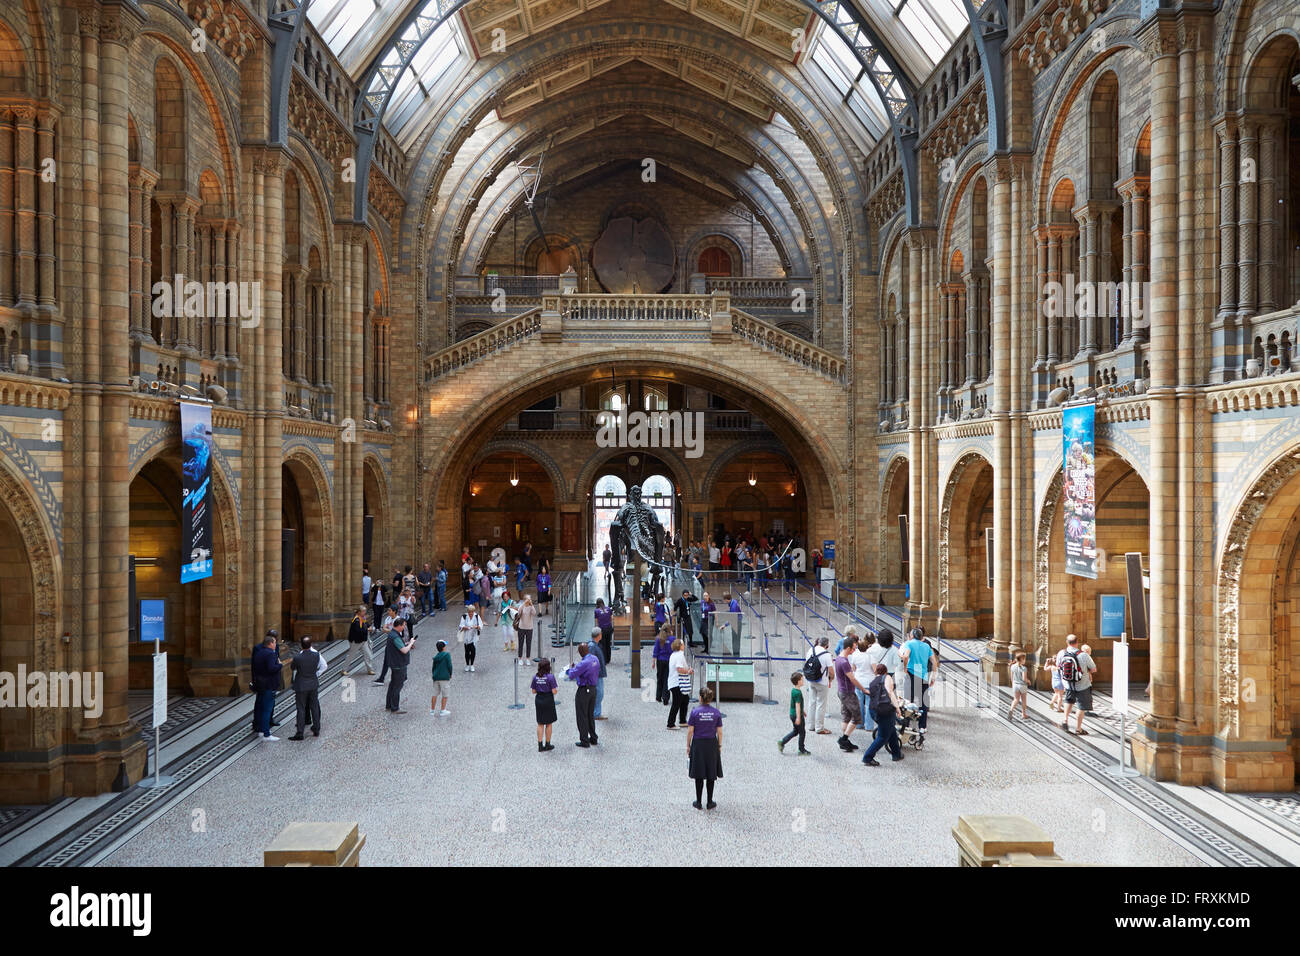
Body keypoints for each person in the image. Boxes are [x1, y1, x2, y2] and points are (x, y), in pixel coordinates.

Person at [686, 686, 723, 810]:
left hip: (698, 744)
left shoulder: (695, 712)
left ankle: (698, 801)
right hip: (711, 744)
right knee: (711, 773)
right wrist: (719, 746)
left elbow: (690, 731)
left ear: (700, 698)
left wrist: (688, 745)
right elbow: (720, 732)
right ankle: (710, 801)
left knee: (699, 773)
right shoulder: (716, 712)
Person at [862, 663, 904, 766]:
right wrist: (897, 708)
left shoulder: (872, 682)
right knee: (882, 736)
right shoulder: (887, 677)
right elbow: (890, 692)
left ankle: (896, 754)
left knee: (891, 730)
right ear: (886, 671)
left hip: (874, 710)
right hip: (885, 710)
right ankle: (867, 757)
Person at [288, 635, 326, 740]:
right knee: (314, 707)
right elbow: (322, 666)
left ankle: (300, 732)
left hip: (301, 686)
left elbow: (292, 667)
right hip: (313, 684)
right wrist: (316, 674)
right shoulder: (316, 655)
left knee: (301, 708)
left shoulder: (297, 657)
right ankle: (316, 729)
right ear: (311, 645)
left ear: (301, 645)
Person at [1057, 634, 1096, 735]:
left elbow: (1059, 666)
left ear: (1067, 642)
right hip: (1083, 685)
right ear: (1077, 642)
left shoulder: (1062, 653)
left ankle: (1065, 720)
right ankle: (1078, 729)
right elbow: (1093, 669)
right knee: (1081, 707)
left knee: (1068, 701)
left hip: (1068, 684)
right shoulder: (1083, 655)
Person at [899, 627, 936, 732]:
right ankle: (922, 727)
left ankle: (906, 725)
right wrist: (933, 676)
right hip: (923, 675)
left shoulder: (909, 644)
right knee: (922, 702)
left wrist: (905, 668)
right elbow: (934, 661)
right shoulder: (926, 646)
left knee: (907, 701)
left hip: (911, 673)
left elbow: (905, 656)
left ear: (912, 636)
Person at [565, 641, 600, 747]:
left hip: (584, 690)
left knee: (581, 715)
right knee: (590, 715)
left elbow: (571, 674)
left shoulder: (583, 663)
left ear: (580, 652)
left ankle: (584, 740)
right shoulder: (595, 659)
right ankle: (593, 738)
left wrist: (568, 670)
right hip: (593, 689)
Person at [251, 630, 282, 741]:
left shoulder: (260, 652)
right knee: (267, 709)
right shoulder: (269, 653)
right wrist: (279, 665)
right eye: (274, 642)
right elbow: (271, 668)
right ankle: (266, 733)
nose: (276, 644)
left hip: (261, 683)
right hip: (268, 684)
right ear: (270, 643)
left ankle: (260, 730)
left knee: (261, 707)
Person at [835, 636, 864, 752]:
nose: (854, 650)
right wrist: (863, 689)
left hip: (842, 691)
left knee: (846, 716)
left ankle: (845, 741)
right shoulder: (844, 662)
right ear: (848, 648)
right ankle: (844, 739)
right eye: (853, 648)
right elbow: (852, 679)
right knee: (857, 716)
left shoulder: (839, 658)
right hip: (848, 693)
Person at [802, 636, 834, 735]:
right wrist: (831, 679)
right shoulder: (827, 655)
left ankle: (810, 725)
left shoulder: (811, 650)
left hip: (811, 679)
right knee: (821, 704)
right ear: (827, 645)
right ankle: (819, 727)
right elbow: (831, 671)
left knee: (812, 702)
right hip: (822, 682)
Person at [384, 617, 415, 713]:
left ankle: (389, 705)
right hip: (399, 664)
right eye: (404, 625)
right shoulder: (395, 637)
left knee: (393, 684)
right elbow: (404, 650)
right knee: (397, 685)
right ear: (400, 625)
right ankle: (395, 707)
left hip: (394, 663)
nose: (404, 627)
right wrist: (411, 643)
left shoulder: (392, 634)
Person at [778, 671, 811, 754]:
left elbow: (797, 704)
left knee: (795, 731)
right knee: (802, 732)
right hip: (797, 715)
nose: (803, 681)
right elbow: (797, 705)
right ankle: (801, 749)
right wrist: (799, 717)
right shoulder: (798, 693)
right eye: (802, 680)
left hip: (792, 714)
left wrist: (802, 711)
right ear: (798, 681)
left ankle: (782, 742)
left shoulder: (793, 690)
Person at [850, 633, 876, 735]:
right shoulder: (870, 657)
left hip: (858, 681)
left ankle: (859, 723)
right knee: (869, 704)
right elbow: (875, 670)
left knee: (859, 703)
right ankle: (869, 726)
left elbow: (853, 668)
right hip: (869, 682)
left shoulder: (855, 655)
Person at [531, 659, 559, 751]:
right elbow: (554, 691)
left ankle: (540, 745)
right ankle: (547, 744)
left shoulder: (536, 677)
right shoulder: (550, 677)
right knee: (549, 723)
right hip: (548, 700)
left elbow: (533, 691)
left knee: (540, 723)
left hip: (539, 699)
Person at [342, 606, 374, 677]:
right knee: (351, 655)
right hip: (356, 641)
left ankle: (370, 669)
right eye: (363, 611)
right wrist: (368, 629)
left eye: (365, 611)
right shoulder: (356, 620)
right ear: (359, 612)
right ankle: (344, 670)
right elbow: (358, 631)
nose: (365, 612)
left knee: (368, 654)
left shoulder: (363, 617)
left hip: (363, 640)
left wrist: (369, 626)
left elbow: (366, 624)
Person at [666, 638, 691, 728]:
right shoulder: (680, 655)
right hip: (677, 682)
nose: (684, 646)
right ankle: (670, 723)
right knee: (677, 702)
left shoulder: (673, 655)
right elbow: (679, 669)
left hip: (674, 682)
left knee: (685, 699)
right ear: (680, 646)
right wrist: (688, 671)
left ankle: (682, 720)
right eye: (683, 644)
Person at [429, 640, 453, 716]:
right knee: (445, 694)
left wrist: (434, 675)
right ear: (443, 647)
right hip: (444, 677)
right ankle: (443, 710)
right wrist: (450, 674)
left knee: (434, 694)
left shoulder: (436, 657)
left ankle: (432, 710)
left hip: (436, 677)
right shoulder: (447, 655)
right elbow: (449, 665)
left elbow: (433, 668)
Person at [590, 626, 609, 720]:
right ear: (598, 635)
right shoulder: (593, 647)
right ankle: (595, 713)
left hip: (597, 674)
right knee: (599, 693)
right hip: (596, 675)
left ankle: (596, 712)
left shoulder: (595, 645)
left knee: (599, 693)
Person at [652, 625, 674, 705]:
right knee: (667, 679)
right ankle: (665, 698)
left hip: (660, 660)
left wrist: (653, 661)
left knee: (659, 678)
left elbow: (656, 650)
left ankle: (658, 696)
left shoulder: (658, 638)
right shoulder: (672, 639)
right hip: (669, 660)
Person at [458, 604, 482, 671]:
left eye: (472, 612)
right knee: (467, 651)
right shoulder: (464, 616)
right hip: (466, 636)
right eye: (469, 612)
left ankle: (472, 665)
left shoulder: (476, 616)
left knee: (473, 650)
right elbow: (460, 626)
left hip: (474, 636)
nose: (471, 613)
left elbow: (480, 625)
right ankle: (467, 665)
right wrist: (465, 627)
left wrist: (477, 627)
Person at [1009, 651, 1029, 721]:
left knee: (1016, 699)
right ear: (1022, 659)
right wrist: (1028, 681)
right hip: (1022, 686)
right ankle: (1023, 714)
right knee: (1024, 700)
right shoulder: (1024, 668)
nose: (1025, 660)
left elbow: (1011, 677)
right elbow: (1024, 679)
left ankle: (1011, 709)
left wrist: (1012, 684)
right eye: (1024, 659)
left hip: (1015, 685)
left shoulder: (1012, 666)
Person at [516, 595, 537, 662]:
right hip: (521, 627)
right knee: (521, 643)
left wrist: (532, 605)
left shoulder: (531, 607)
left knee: (528, 643)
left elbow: (534, 613)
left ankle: (528, 658)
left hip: (529, 628)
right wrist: (523, 604)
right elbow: (519, 613)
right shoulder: (522, 606)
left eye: (529, 599)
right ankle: (520, 658)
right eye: (527, 599)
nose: (528, 600)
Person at [593, 599, 614, 663]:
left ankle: (604, 660)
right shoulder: (609, 609)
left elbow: (596, 622)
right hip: (609, 628)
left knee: (602, 645)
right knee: (608, 644)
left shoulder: (596, 611)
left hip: (602, 629)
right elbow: (611, 619)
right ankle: (608, 659)